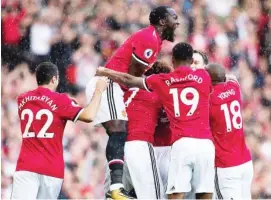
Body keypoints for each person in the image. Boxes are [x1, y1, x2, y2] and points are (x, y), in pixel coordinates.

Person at [96, 42, 215, 199]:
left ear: (173, 60)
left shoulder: (161, 82)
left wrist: (105, 72)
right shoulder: (204, 77)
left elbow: (128, 80)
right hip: (160, 148)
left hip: (119, 150)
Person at [85, 6, 179, 199]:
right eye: (174, 18)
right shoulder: (150, 39)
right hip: (109, 85)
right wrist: (105, 72)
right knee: (118, 130)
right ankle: (116, 188)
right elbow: (132, 77)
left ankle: (116, 188)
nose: (177, 22)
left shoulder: (154, 41)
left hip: (116, 92)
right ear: (162, 21)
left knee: (117, 133)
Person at [11, 62, 109, 200]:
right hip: (51, 168)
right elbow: (89, 115)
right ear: (54, 79)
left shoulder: (23, 99)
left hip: (26, 165)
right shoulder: (61, 101)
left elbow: (41, 103)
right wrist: (99, 90)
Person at [104, 61, 171, 199]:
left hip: (116, 151)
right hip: (140, 147)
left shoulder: (122, 93)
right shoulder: (157, 92)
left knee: (113, 195)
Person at [205, 63, 253, 200]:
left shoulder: (209, 100)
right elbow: (230, 77)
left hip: (226, 166)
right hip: (245, 162)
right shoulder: (234, 88)